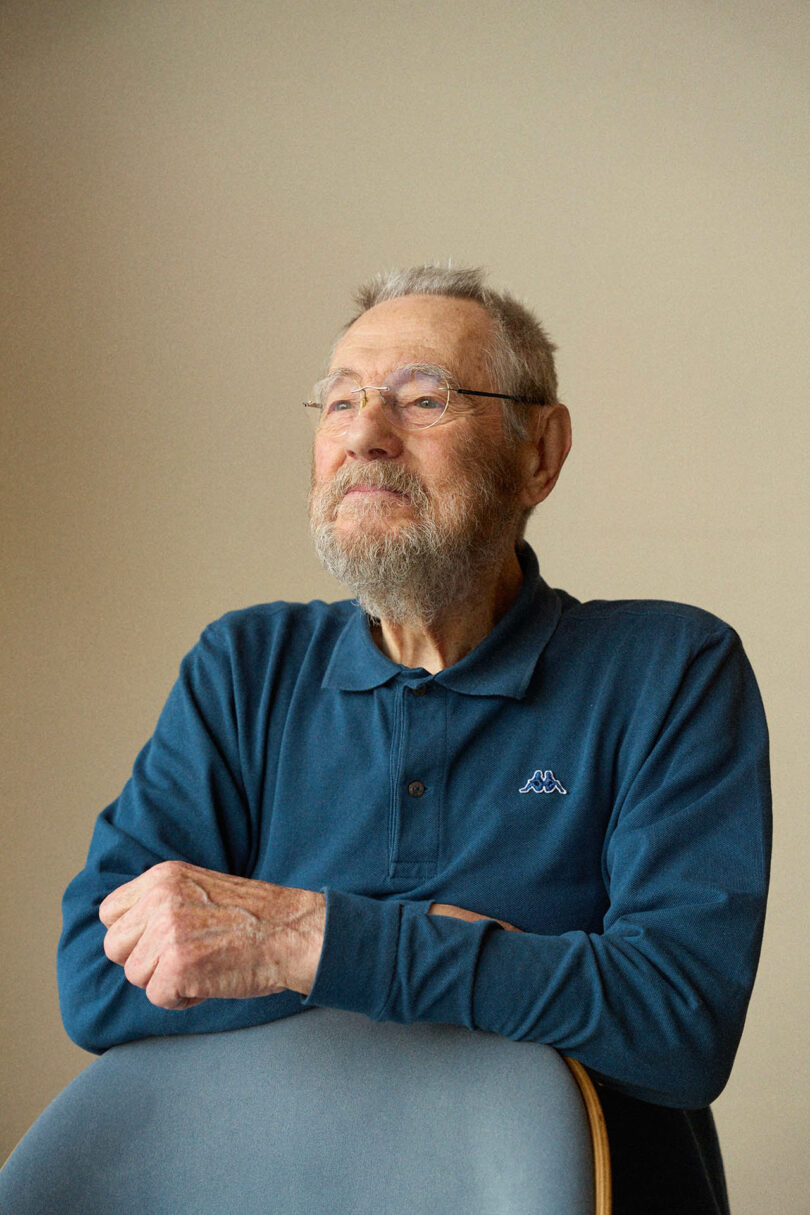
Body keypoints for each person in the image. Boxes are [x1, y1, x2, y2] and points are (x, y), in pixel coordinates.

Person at [58, 265, 771, 1212]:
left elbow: (677, 1020)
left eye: (423, 398)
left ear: (540, 453)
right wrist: (473, 948)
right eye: (340, 401)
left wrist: (304, 940)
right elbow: (95, 976)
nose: (365, 434)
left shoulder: (672, 667)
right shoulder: (244, 666)